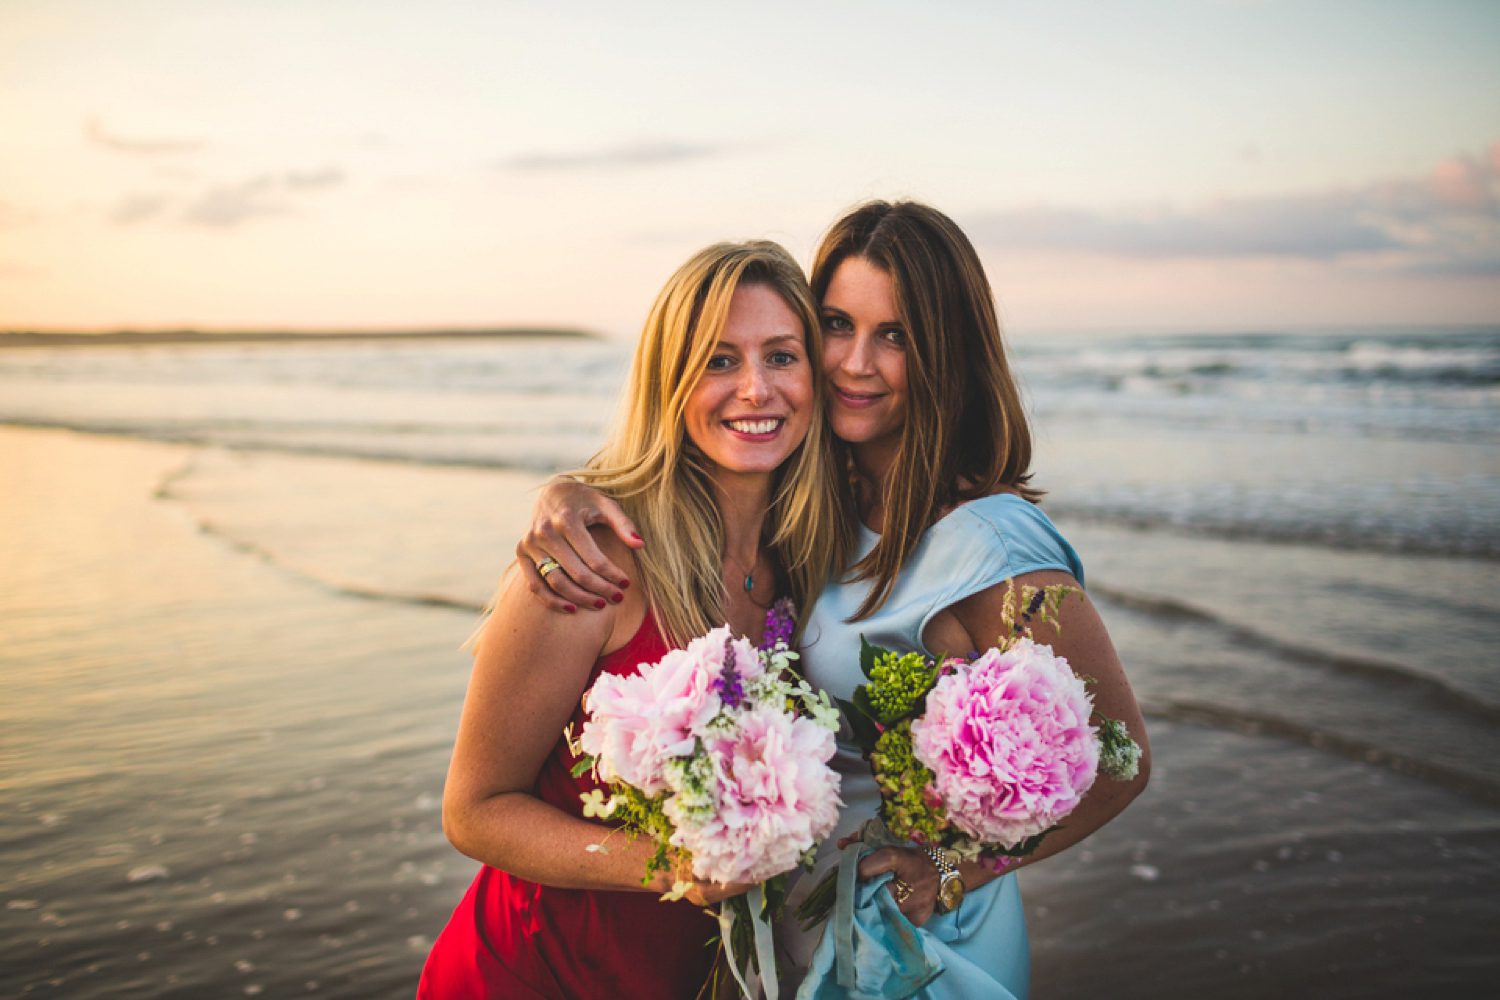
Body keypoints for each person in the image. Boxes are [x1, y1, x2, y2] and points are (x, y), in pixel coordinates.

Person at [517, 201, 1151, 999]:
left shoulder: (992, 545)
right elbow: (680, 466)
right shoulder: (816, 509)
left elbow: (1121, 756)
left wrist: (954, 870)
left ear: (948, 353)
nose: (855, 362)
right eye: (837, 325)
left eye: (896, 336)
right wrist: (568, 492)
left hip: (920, 945)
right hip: (806, 930)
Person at [418, 240, 850, 999]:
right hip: (532, 974)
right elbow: (474, 811)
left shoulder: (812, 561)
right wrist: (679, 867)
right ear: (670, 381)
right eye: (719, 361)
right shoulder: (592, 563)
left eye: (781, 356)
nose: (755, 388)